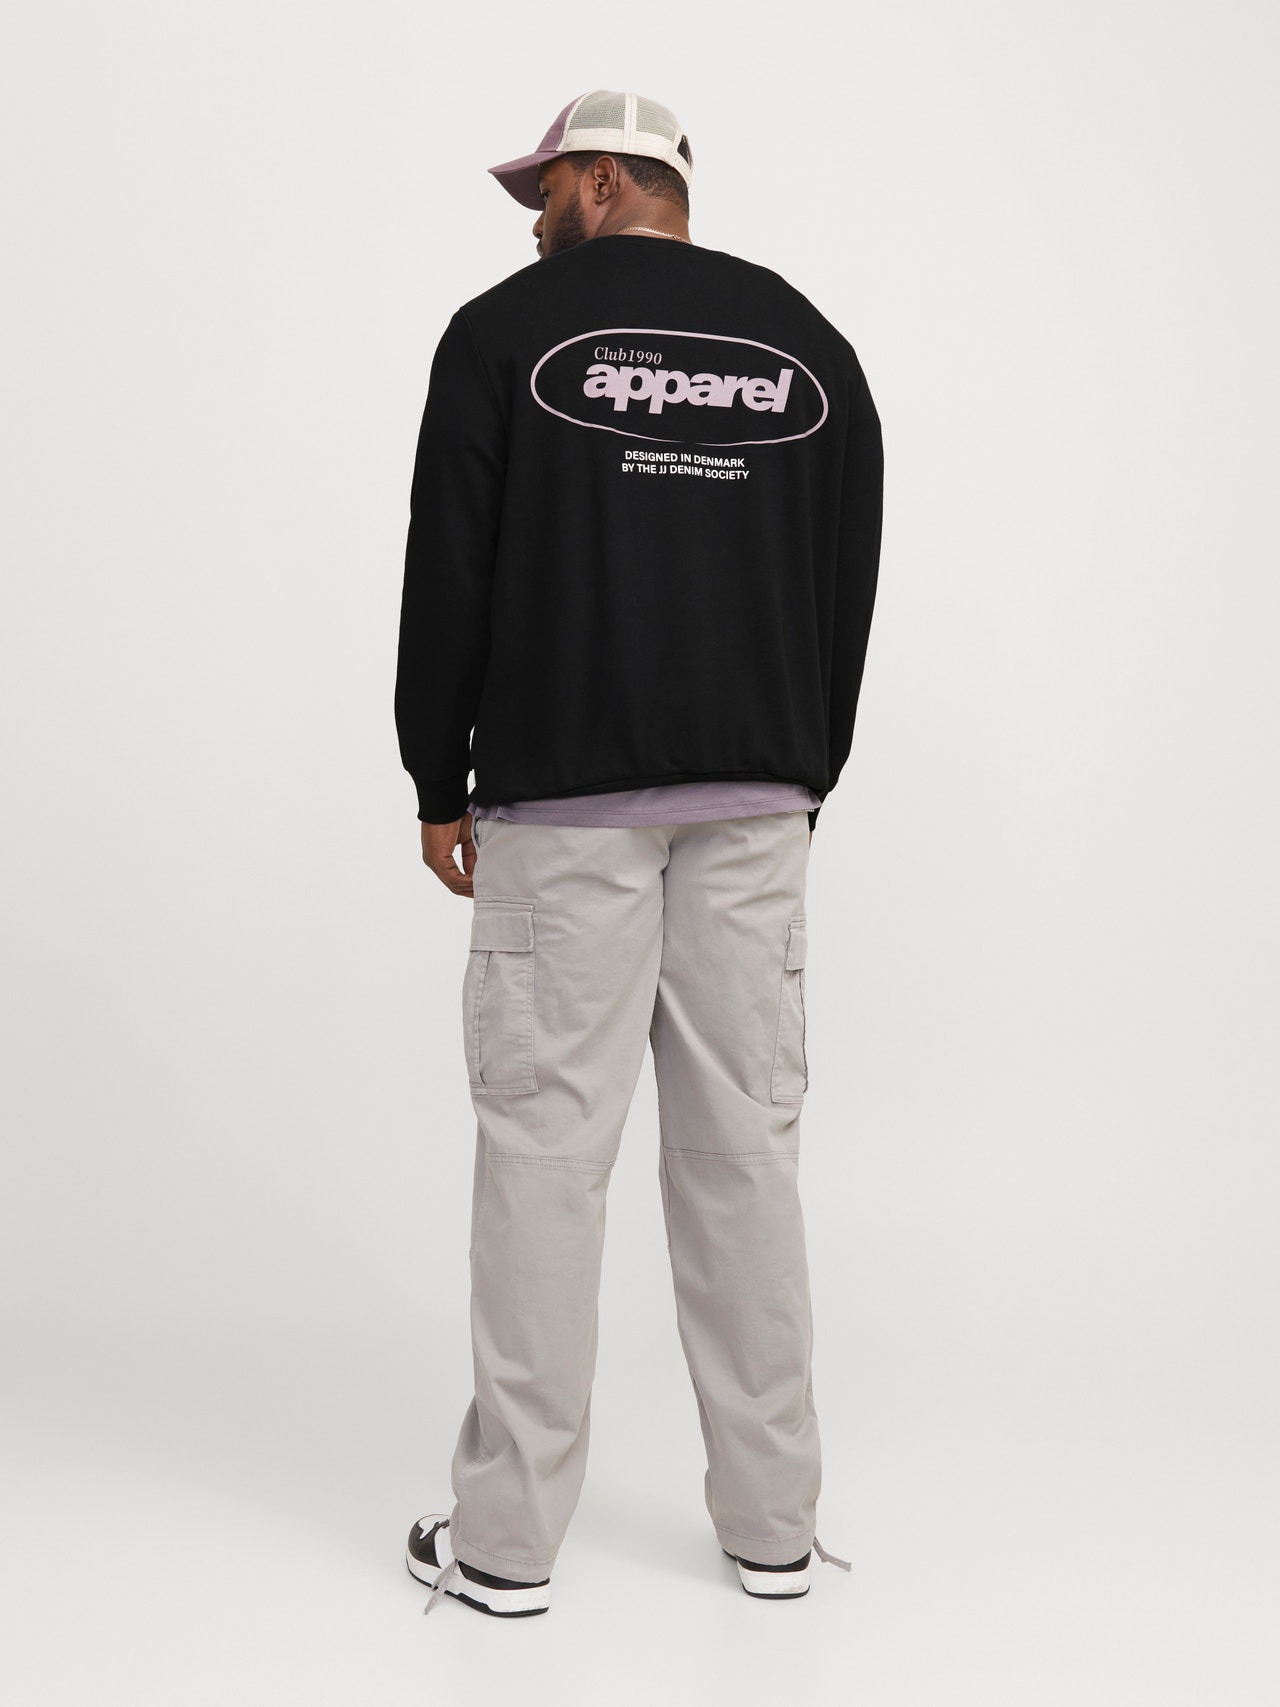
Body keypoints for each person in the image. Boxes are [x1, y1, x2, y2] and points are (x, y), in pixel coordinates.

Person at [395, 89, 884, 1619]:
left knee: (547, 1159)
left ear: (605, 178)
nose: (534, 216)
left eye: (546, 188)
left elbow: (449, 564)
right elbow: (850, 575)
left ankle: (505, 1548)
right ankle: (774, 1532)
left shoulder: (500, 335)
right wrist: (803, 769)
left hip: (566, 805)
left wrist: (437, 773)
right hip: (755, 802)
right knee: (745, 1154)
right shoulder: (807, 344)